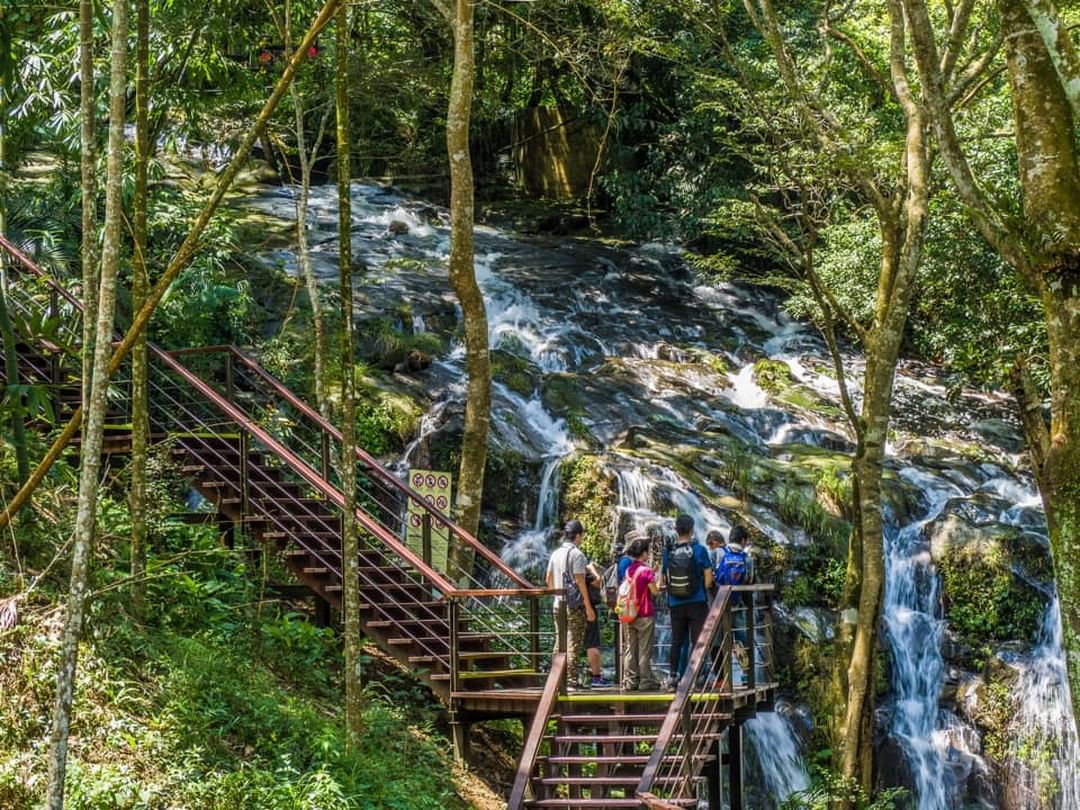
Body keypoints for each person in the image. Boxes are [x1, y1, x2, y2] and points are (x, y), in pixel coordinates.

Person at [661, 514, 714, 690]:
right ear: (692, 530)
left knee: (677, 640)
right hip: (697, 601)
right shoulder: (699, 550)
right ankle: (696, 677)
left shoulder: (668, 551)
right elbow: (708, 578)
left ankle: (672, 677)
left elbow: (663, 579)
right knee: (697, 640)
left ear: (676, 530)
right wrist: (701, 589)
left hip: (675, 602)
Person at [545, 520, 594, 689]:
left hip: (558, 603)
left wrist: (555, 596)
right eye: (582, 535)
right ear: (578, 535)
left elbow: (548, 579)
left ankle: (556, 679)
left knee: (560, 641)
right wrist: (588, 606)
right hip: (574, 605)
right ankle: (572, 681)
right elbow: (580, 581)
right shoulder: (577, 555)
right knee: (573, 642)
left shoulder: (555, 554)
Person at [620, 534, 661, 691]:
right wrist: (659, 579)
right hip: (644, 614)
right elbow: (655, 591)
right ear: (644, 553)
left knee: (630, 648)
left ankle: (630, 681)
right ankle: (646, 681)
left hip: (628, 613)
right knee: (644, 649)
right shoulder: (646, 571)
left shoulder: (629, 569)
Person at [584, 560, 613, 687]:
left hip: (571, 607)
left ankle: (567, 677)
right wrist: (592, 568)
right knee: (592, 643)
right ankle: (596, 678)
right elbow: (598, 580)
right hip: (588, 608)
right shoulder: (584, 570)